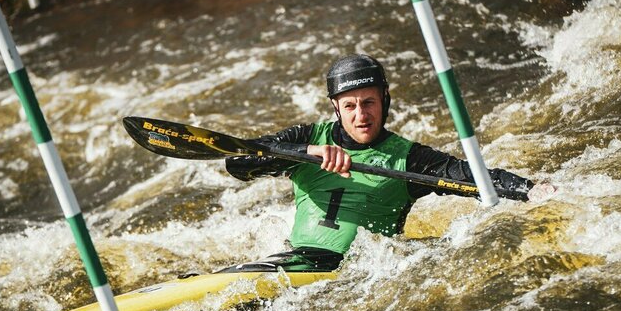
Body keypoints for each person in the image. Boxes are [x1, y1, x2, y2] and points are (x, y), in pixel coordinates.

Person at [224, 54, 548, 272]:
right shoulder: (307, 137)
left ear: (385, 100)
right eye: (349, 106)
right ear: (336, 108)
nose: (361, 115)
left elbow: (470, 177)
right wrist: (306, 152)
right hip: (295, 262)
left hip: (364, 274)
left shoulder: (408, 158)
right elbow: (239, 163)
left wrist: (531, 190)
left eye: (369, 103)